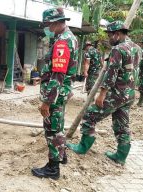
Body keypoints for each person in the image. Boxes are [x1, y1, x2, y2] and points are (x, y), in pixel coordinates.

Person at [67, 21, 135, 165]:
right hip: (129, 94)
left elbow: (112, 73)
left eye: (110, 35)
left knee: (90, 115)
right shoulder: (137, 48)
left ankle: (82, 147)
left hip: (117, 94)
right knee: (122, 125)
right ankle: (121, 156)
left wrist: (102, 93)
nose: (108, 38)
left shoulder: (118, 49)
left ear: (117, 34)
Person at [31, 7, 78, 180]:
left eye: (49, 24)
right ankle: (62, 155)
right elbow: (61, 69)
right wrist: (43, 77)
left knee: (52, 130)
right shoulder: (70, 38)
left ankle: (53, 169)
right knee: (58, 126)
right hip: (62, 91)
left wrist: (47, 102)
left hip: (56, 94)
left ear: (57, 22)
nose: (48, 28)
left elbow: (58, 75)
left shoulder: (62, 42)